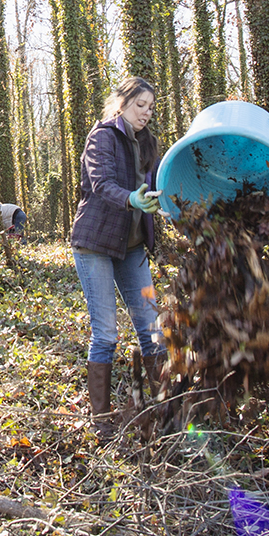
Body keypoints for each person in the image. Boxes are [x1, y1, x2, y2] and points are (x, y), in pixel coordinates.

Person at [71, 76, 165, 434]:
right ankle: (102, 418)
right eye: (140, 105)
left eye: (151, 107)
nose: (146, 113)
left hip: (132, 246)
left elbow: (158, 185)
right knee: (107, 334)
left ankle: (164, 408)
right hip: (95, 244)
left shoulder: (148, 143)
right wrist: (131, 198)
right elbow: (101, 181)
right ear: (122, 103)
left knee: (153, 330)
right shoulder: (102, 137)